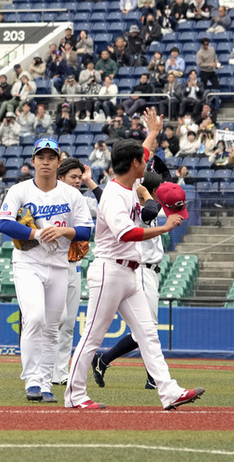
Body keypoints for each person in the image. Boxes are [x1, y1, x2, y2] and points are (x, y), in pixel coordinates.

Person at [64, 108, 205, 411]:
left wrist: (153, 132)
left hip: (130, 274)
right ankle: (74, 395)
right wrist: (164, 227)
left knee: (148, 334)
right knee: (92, 335)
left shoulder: (127, 184)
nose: (146, 160)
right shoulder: (115, 195)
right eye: (142, 160)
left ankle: (168, 391)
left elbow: (139, 152)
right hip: (111, 270)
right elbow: (125, 233)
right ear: (133, 165)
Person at [0, 138, 93, 403]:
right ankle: (32, 380)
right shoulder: (20, 190)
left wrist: (63, 230)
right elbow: (3, 224)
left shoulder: (72, 195)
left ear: (58, 162)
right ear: (33, 161)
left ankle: (47, 383)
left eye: (51, 157)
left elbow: (87, 231)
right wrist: (35, 233)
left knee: (53, 326)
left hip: (60, 264)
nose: (46, 162)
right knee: (35, 318)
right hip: (28, 262)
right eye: (41, 157)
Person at [89, 170, 164, 390]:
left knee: (145, 329)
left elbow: (107, 200)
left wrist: (92, 184)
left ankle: (103, 360)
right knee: (146, 328)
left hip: (150, 271)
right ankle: (153, 376)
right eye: (157, 188)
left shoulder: (139, 205)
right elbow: (149, 211)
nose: (159, 191)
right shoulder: (143, 209)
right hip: (141, 270)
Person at [50, 159, 101, 385]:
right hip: (53, 262)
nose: (78, 181)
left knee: (69, 323)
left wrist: (90, 182)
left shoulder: (82, 200)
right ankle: (42, 370)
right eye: (74, 177)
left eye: (80, 177)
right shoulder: (50, 198)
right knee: (55, 321)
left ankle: (60, 373)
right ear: (60, 178)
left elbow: (106, 206)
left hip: (75, 264)